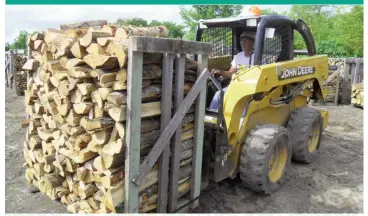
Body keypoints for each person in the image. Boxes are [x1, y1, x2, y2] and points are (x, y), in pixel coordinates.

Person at [209, 32, 255, 110]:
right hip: (236, 86)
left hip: (251, 89)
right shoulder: (238, 56)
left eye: (245, 40)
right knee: (219, 94)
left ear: (253, 42)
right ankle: (211, 117)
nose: (242, 43)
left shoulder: (258, 56)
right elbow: (231, 73)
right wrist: (220, 72)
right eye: (241, 40)